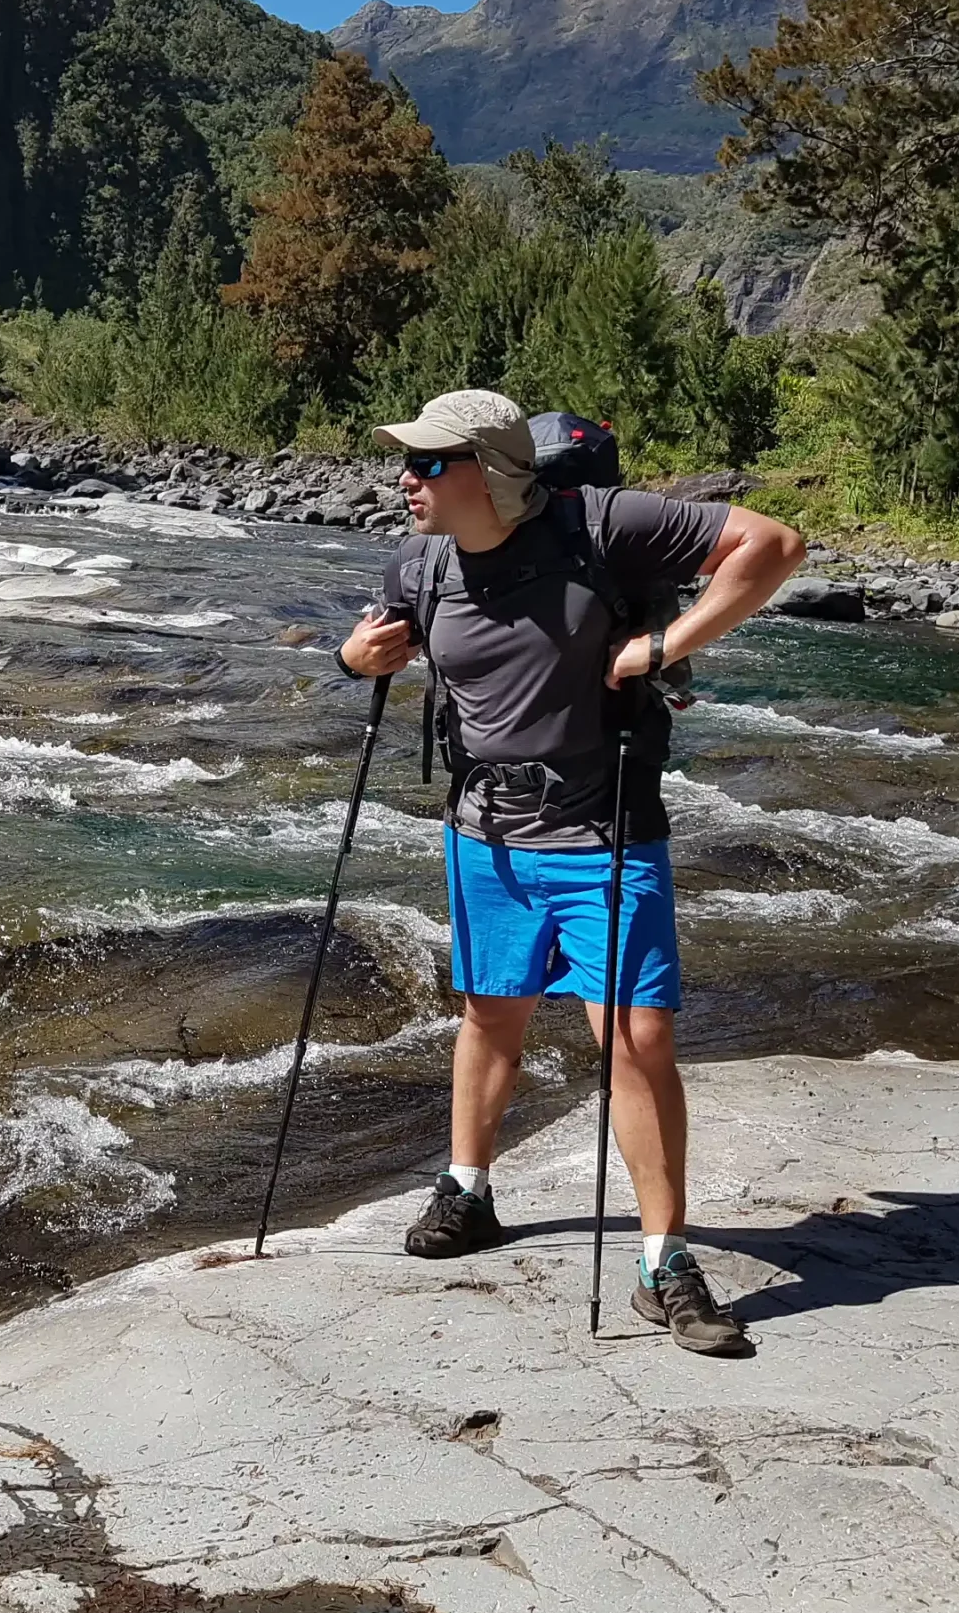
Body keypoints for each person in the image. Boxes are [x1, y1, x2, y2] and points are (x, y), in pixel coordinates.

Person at [338, 388, 804, 1357]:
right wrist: (356, 657)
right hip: (485, 832)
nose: (405, 479)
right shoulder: (419, 559)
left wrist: (662, 645)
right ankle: (466, 1191)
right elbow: (378, 639)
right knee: (488, 1012)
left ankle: (662, 1262)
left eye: (427, 463)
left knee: (635, 1041)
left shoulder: (605, 525)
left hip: (606, 832)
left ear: (491, 471)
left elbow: (773, 547)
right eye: (408, 463)